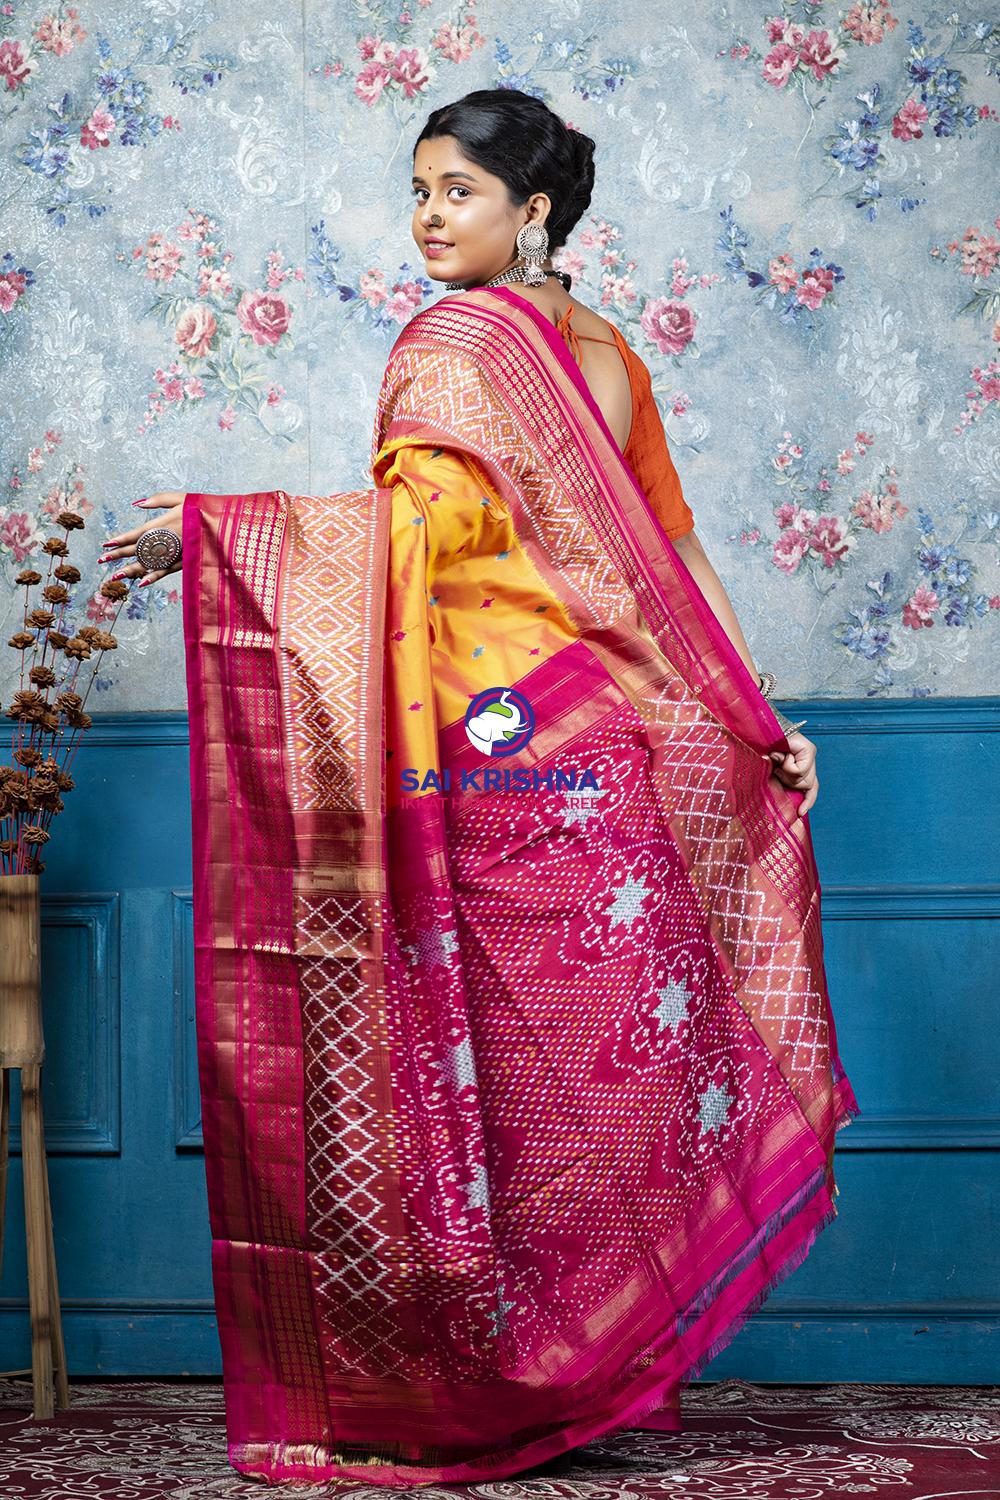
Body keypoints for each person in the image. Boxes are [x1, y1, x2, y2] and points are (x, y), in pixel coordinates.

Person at [99, 88, 858, 1487]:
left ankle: (519, 1386)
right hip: (601, 757)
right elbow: (673, 562)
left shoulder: (458, 347)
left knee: (514, 1089)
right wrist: (750, 710)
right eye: (421, 190)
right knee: (591, 1087)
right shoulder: (597, 354)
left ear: (534, 211)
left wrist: (215, 537)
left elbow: (448, 527)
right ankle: (576, 1376)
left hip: (501, 760)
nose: (430, 217)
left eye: (458, 191)